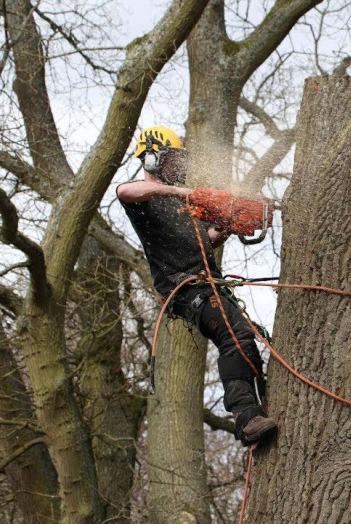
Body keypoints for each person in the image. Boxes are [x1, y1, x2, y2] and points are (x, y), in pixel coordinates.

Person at [116, 126, 278, 448]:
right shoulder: (143, 198)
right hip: (184, 289)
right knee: (233, 334)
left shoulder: (186, 209)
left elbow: (206, 241)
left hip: (208, 285)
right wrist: (182, 193)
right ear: (151, 159)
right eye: (172, 160)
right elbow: (124, 191)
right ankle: (246, 419)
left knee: (246, 334)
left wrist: (229, 225)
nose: (178, 168)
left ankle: (261, 405)